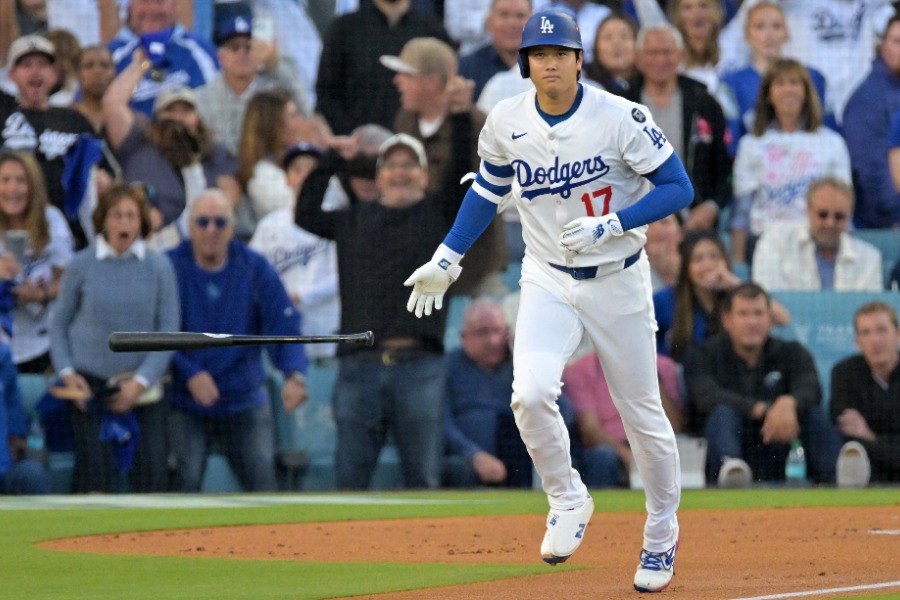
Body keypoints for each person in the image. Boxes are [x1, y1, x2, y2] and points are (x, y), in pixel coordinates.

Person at [402, 10, 693, 593]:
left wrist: (614, 222)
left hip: (618, 275)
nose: (551, 62)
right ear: (525, 63)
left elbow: (677, 187)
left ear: (580, 58)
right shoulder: (507, 119)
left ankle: (661, 536)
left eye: (561, 52)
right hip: (548, 276)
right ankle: (566, 497)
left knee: (642, 415)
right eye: (540, 54)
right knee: (530, 393)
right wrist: (446, 257)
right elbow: (488, 187)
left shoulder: (620, 116)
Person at [296, 133, 461, 491]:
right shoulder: (352, 220)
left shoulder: (440, 218)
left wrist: (460, 119)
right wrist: (333, 158)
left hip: (419, 366)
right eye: (391, 165)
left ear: (425, 175)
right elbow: (305, 212)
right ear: (378, 175)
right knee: (350, 482)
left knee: (423, 480)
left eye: (409, 165)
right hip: (360, 367)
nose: (400, 172)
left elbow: (464, 175)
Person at [166, 188, 308, 492]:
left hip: (241, 397)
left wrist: (294, 374)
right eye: (203, 222)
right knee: (185, 479)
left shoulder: (253, 267)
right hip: (186, 398)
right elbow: (155, 332)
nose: (212, 230)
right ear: (190, 227)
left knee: (263, 481)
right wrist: (188, 372)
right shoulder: (170, 266)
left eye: (220, 222)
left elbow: (283, 322)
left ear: (233, 227)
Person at [49, 182, 179, 493]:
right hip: (90, 387)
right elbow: (59, 325)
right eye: (116, 215)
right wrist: (67, 374)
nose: (124, 223)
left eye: (131, 216)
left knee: (152, 478)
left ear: (141, 221)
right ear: (103, 220)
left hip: (144, 389)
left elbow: (169, 331)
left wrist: (141, 382)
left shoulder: (159, 266)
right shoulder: (81, 264)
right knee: (94, 478)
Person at [682, 282, 843, 487]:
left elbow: (811, 387)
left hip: (780, 443)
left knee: (811, 414)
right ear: (727, 320)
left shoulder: (792, 351)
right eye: (743, 314)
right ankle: (732, 470)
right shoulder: (703, 354)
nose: (752, 322)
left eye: (758, 314)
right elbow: (705, 396)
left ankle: (839, 476)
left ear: (770, 320)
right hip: (728, 441)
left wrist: (788, 403)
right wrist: (761, 409)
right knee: (722, 414)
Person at [382, 37, 507, 296]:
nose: (396, 81)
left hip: (474, 269)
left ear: (431, 81)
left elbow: (469, 194)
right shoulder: (405, 120)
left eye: (405, 74)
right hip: (422, 259)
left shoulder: (476, 124)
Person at [102, 52, 239, 234]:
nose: (178, 119)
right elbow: (113, 104)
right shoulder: (137, 142)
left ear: (197, 119)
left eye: (186, 111)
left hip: (201, 235)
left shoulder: (213, 153)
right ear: (157, 117)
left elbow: (229, 198)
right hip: (143, 237)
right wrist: (141, 64)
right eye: (170, 111)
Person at [731, 58, 851, 265]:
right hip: (765, 241)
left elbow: (843, 203)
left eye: (795, 83)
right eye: (780, 83)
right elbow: (742, 212)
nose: (788, 90)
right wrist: (739, 261)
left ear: (806, 92)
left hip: (818, 242)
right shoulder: (751, 144)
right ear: (768, 95)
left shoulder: (832, 142)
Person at [623, 23, 731, 233]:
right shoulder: (621, 103)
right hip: (635, 219)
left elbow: (725, 168)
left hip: (694, 219)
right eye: (652, 52)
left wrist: (711, 207)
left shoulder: (704, 103)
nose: (660, 60)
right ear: (638, 57)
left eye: (667, 52)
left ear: (680, 56)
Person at [0, 35, 95, 245]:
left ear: (54, 74)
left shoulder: (73, 120)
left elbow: (103, 169)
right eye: (26, 65)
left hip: (70, 230)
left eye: (43, 64)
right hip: (9, 228)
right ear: (12, 74)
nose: (35, 71)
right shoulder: (3, 113)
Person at [249, 144, 340, 362]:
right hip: (283, 331)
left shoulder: (338, 218)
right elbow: (252, 273)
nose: (304, 175)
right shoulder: (270, 225)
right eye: (296, 169)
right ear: (287, 178)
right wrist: (277, 298)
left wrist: (301, 296)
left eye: (311, 169)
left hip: (328, 331)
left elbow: (345, 275)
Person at [315, 0, 451, 135]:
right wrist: (353, 137)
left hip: (418, 146)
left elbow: (445, 89)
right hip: (354, 147)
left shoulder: (432, 30)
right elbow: (326, 94)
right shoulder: (343, 29)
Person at [653, 230, 790, 364]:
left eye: (714, 257)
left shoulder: (736, 296)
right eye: (698, 259)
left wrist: (735, 284)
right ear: (687, 266)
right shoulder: (665, 299)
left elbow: (783, 318)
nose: (707, 265)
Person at [442, 297, 533, 488]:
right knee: (456, 469)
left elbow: (563, 414)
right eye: (482, 332)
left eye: (498, 331)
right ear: (463, 337)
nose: (492, 340)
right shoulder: (447, 367)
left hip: (519, 459)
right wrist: (473, 455)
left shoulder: (521, 367)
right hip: (467, 459)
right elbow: (441, 423)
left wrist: (529, 361)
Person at [718, 1, 829, 156]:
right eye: (760, 27)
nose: (768, 35)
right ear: (746, 35)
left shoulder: (812, 77)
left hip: (809, 163)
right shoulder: (730, 84)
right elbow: (730, 141)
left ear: (787, 33)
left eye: (776, 26)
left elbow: (827, 130)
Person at [193, 14, 312, 157]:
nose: (242, 53)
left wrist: (275, 66)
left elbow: (306, 115)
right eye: (234, 47)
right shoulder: (201, 99)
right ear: (221, 55)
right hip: (216, 174)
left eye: (249, 46)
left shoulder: (274, 93)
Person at [562, 351, 683, 488]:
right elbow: (590, 431)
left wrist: (651, 377)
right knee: (602, 456)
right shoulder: (581, 369)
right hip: (610, 447)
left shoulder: (664, 366)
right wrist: (628, 456)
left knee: (677, 452)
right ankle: (601, 508)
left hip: (652, 445)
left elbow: (675, 426)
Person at [0, 151, 74, 373]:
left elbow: (70, 282)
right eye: (5, 180)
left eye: (21, 181)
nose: (12, 189)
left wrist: (40, 295)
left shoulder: (51, 221)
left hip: (43, 345)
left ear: (33, 186)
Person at [752, 177, 884, 292]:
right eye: (822, 214)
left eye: (839, 216)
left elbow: (870, 312)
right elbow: (767, 299)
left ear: (849, 216)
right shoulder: (774, 242)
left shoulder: (869, 258)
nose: (830, 223)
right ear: (808, 210)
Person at [107, 0, 219, 117]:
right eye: (144, 2)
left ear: (174, 5)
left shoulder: (200, 51)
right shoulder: (110, 56)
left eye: (159, 2)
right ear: (130, 6)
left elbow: (214, 107)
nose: (151, 10)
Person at [830, 301, 900, 485]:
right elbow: (850, 440)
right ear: (857, 341)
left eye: (882, 330)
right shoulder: (844, 373)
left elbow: (861, 437)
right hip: (866, 475)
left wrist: (869, 436)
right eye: (866, 332)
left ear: (897, 335)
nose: (875, 340)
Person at [842, 14, 900, 229]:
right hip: (885, 225)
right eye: (897, 41)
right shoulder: (867, 99)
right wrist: (895, 215)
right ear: (881, 47)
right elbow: (871, 171)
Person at [236, 89, 311, 228]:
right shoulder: (261, 175)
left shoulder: (299, 157)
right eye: (293, 116)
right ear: (273, 125)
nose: (300, 122)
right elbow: (301, 208)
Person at [0, 338, 49, 494]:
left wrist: (16, 435)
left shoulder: (3, 357)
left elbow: (12, 403)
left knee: (32, 474)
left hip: (3, 470)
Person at [458, 0, 532, 99]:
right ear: (489, 22)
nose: (512, 23)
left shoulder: (548, 66)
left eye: (520, 15)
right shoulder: (466, 69)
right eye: (504, 15)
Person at [584, 11, 641, 97]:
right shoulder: (584, 86)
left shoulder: (650, 85)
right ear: (596, 47)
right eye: (607, 37)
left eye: (624, 36)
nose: (616, 43)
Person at [70, 45, 117, 135]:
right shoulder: (63, 117)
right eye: (89, 66)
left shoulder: (130, 120)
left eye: (105, 65)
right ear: (77, 73)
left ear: (114, 72)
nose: (97, 71)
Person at [644, 212, 682, 292]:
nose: (656, 228)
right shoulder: (631, 271)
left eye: (665, 222)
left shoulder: (695, 267)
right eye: (650, 223)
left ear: (680, 232)